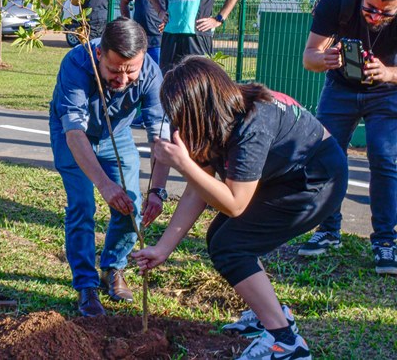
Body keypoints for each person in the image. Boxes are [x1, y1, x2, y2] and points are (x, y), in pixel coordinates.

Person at [133, 56, 347, 360]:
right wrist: (163, 248)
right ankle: (268, 313)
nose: (176, 123)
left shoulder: (251, 125)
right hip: (284, 176)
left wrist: (182, 164)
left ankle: (286, 342)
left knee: (231, 246)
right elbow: (198, 190)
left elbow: (235, 204)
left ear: (200, 107)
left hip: (317, 180)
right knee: (219, 236)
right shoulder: (216, 117)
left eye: (180, 115)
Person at [49, 18, 170, 317]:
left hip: (116, 134)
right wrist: (104, 185)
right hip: (73, 137)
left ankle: (113, 268)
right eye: (115, 71)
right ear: (99, 54)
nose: (123, 79)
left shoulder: (151, 72)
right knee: (82, 205)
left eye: (131, 71)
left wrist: (157, 190)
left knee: (133, 206)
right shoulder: (77, 64)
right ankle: (86, 284)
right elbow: (74, 133)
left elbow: (160, 138)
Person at [300, 0, 397, 274]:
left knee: (383, 158)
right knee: (327, 154)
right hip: (341, 87)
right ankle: (328, 230)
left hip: (386, 90)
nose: (376, 17)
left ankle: (385, 240)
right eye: (370, 9)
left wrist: (388, 73)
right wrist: (324, 59)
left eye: (386, 13)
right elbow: (309, 57)